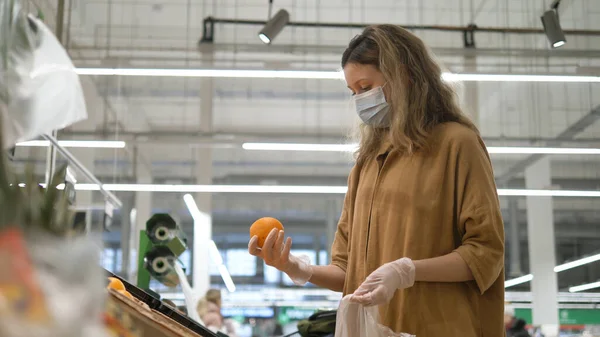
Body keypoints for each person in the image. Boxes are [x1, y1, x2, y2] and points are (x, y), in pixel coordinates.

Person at [248, 24, 505, 337]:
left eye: (365, 86)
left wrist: (406, 271)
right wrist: (296, 268)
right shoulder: (367, 164)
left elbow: (485, 254)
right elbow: (348, 271)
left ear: (404, 75)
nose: (359, 100)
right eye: (353, 92)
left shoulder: (457, 144)